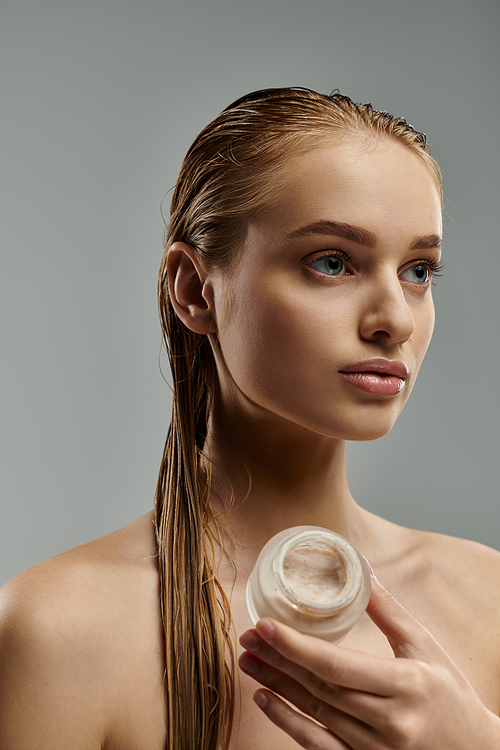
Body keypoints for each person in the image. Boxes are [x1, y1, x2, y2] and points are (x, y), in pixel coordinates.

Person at [1, 87, 499, 750]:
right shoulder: (58, 630)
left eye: (417, 270)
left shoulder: (488, 600)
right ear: (193, 290)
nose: (397, 320)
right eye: (331, 262)